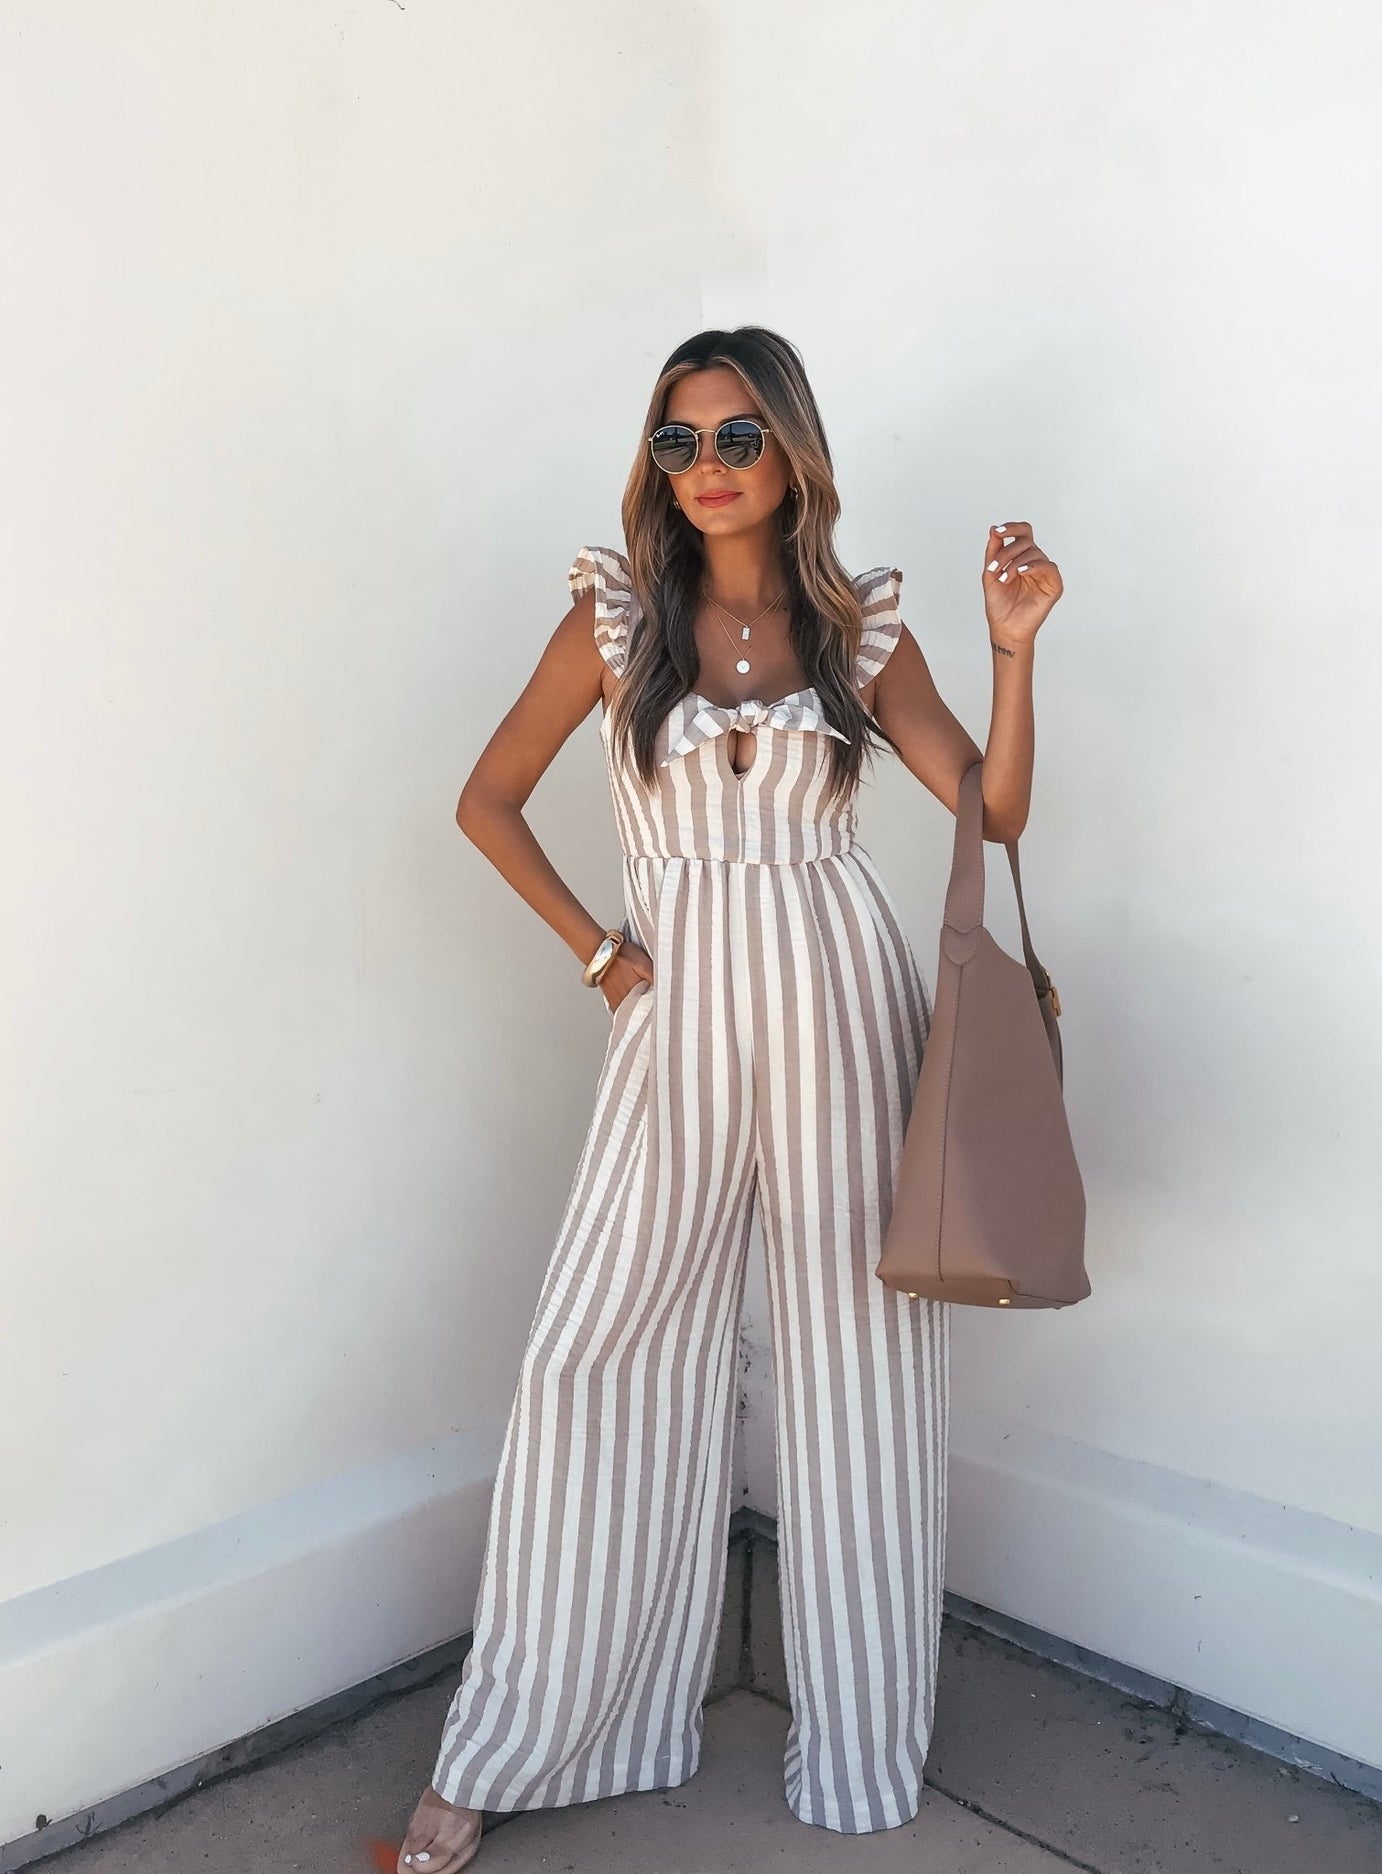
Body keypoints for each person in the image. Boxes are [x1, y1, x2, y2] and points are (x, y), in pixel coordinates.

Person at [394, 325, 1061, 1870]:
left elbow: (997, 809)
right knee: (596, 1345)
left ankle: (860, 1750)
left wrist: (1014, 648)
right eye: (679, 440)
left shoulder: (860, 634)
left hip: (843, 998)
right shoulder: (616, 625)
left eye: (738, 436)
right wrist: (601, 957)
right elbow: (485, 799)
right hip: (676, 1008)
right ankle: (521, 1738)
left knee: (862, 1369)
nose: (706, 465)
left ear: (792, 454)